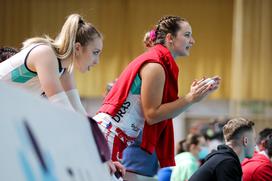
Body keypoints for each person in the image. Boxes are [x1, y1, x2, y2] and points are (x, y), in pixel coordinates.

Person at [93, 15, 221, 171]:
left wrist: (194, 97)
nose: (192, 41)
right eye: (187, 35)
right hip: (109, 135)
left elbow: (164, 113)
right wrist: (189, 98)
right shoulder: (156, 66)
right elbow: (152, 115)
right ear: (170, 38)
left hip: (114, 137)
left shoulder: (159, 63)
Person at [0, 14, 103, 114]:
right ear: (77, 48)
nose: (97, 61)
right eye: (95, 52)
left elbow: (77, 108)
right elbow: (61, 106)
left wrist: (96, 128)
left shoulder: (65, 68)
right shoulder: (45, 54)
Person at [189, 117, 255, 181]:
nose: (255, 145)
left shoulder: (222, 159)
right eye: (253, 139)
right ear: (245, 141)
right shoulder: (227, 163)